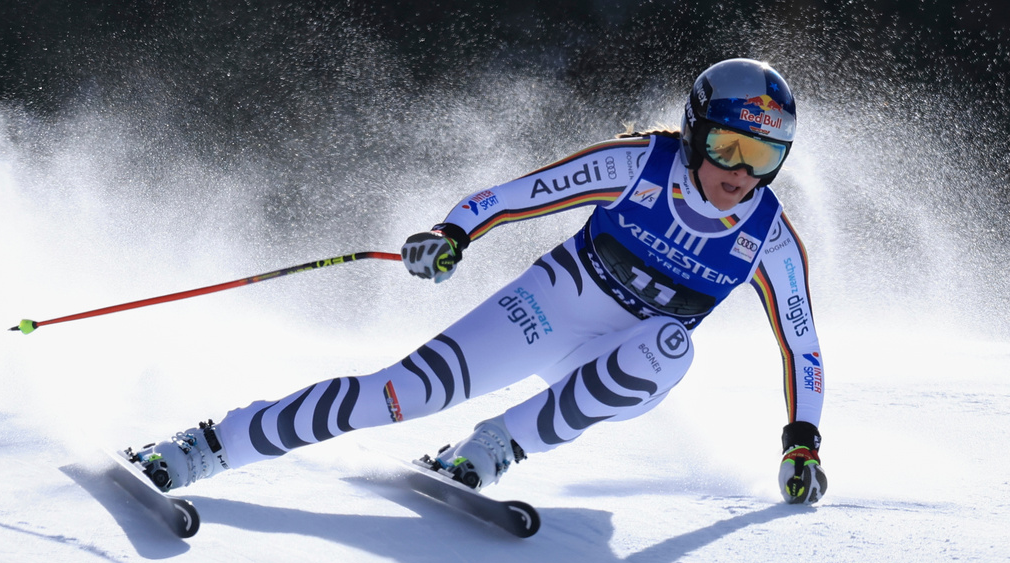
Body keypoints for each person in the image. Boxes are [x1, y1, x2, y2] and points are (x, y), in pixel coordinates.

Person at [131, 58, 827, 506]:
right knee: (399, 393)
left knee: (673, 345)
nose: (740, 172)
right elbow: (514, 195)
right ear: (693, 130)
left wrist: (801, 443)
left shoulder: (769, 237)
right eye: (727, 146)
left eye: (764, 155)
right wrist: (451, 236)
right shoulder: (641, 163)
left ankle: (493, 447)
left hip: (621, 361)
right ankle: (203, 447)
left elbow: (804, 350)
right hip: (552, 306)